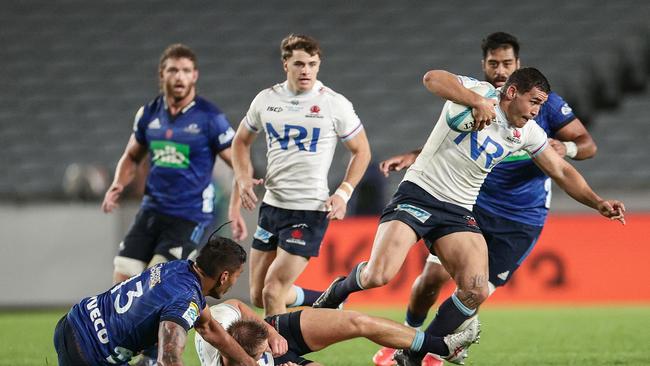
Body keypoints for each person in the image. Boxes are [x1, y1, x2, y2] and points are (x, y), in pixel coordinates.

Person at [313, 67, 625, 365]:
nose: (534, 112)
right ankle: (337, 292)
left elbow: (560, 170)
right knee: (378, 275)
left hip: (459, 210)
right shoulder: (479, 91)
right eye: (533, 103)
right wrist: (475, 101)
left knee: (475, 290)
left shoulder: (526, 132)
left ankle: (413, 355)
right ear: (512, 92)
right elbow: (432, 78)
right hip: (420, 193)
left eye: (540, 106)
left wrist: (597, 202)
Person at [372, 32, 599, 366]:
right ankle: (406, 336)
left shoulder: (545, 103)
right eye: (494, 63)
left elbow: (586, 146)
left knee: (478, 291)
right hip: (472, 204)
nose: (500, 69)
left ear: (518, 65)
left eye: (507, 63)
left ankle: (424, 354)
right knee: (431, 279)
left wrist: (568, 148)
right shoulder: (478, 97)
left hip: (521, 217)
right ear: (485, 65)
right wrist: (415, 155)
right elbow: (460, 146)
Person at [232, 34, 371, 316]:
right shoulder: (266, 100)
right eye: (298, 63)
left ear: (318, 65)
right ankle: (325, 298)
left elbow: (362, 151)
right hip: (272, 207)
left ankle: (280, 358)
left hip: (309, 210)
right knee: (258, 295)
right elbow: (240, 141)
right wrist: (243, 177)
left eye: (312, 63)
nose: (305, 70)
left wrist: (344, 192)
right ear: (286, 64)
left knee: (273, 290)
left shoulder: (334, 104)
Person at [102, 43, 247, 285]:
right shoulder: (149, 114)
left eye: (186, 70)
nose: (179, 76)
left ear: (195, 75)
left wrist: (236, 204)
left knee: (157, 280)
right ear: (162, 74)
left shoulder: (210, 117)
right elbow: (131, 156)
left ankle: (177, 319)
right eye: (173, 70)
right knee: (122, 278)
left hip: (188, 215)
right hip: (151, 210)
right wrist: (118, 183)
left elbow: (239, 161)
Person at [53, 234, 288, 366]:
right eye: (236, 276)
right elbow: (169, 358)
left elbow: (210, 328)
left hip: (73, 321)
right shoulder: (186, 299)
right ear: (224, 276)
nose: (234, 283)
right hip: (89, 354)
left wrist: (248, 363)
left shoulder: (180, 268)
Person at [195, 299, 479, 366]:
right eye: (260, 357)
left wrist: (271, 335)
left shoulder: (219, 321)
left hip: (272, 329)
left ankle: (442, 346)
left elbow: (236, 303)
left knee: (357, 321)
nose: (266, 356)